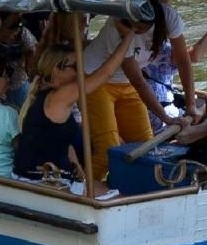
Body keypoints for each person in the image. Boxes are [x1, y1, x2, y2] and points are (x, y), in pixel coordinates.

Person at [14, 31, 133, 190]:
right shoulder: (59, 96)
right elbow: (106, 73)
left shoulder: (46, 94)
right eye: (76, 67)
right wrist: (129, 36)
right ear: (57, 69)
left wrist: (79, 170)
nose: (81, 71)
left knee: (109, 189)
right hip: (40, 181)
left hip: (40, 175)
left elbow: (63, 142)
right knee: (119, 194)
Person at [80, 13, 163, 175]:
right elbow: (137, 80)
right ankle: (81, 190)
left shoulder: (165, 19)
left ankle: (137, 186)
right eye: (135, 25)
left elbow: (185, 59)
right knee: (107, 150)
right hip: (95, 81)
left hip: (126, 84)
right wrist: (166, 118)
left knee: (146, 147)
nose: (138, 29)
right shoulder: (115, 26)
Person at [141, 0, 207, 125]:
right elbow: (195, 55)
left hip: (149, 111)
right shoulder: (163, 52)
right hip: (163, 117)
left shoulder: (134, 45)